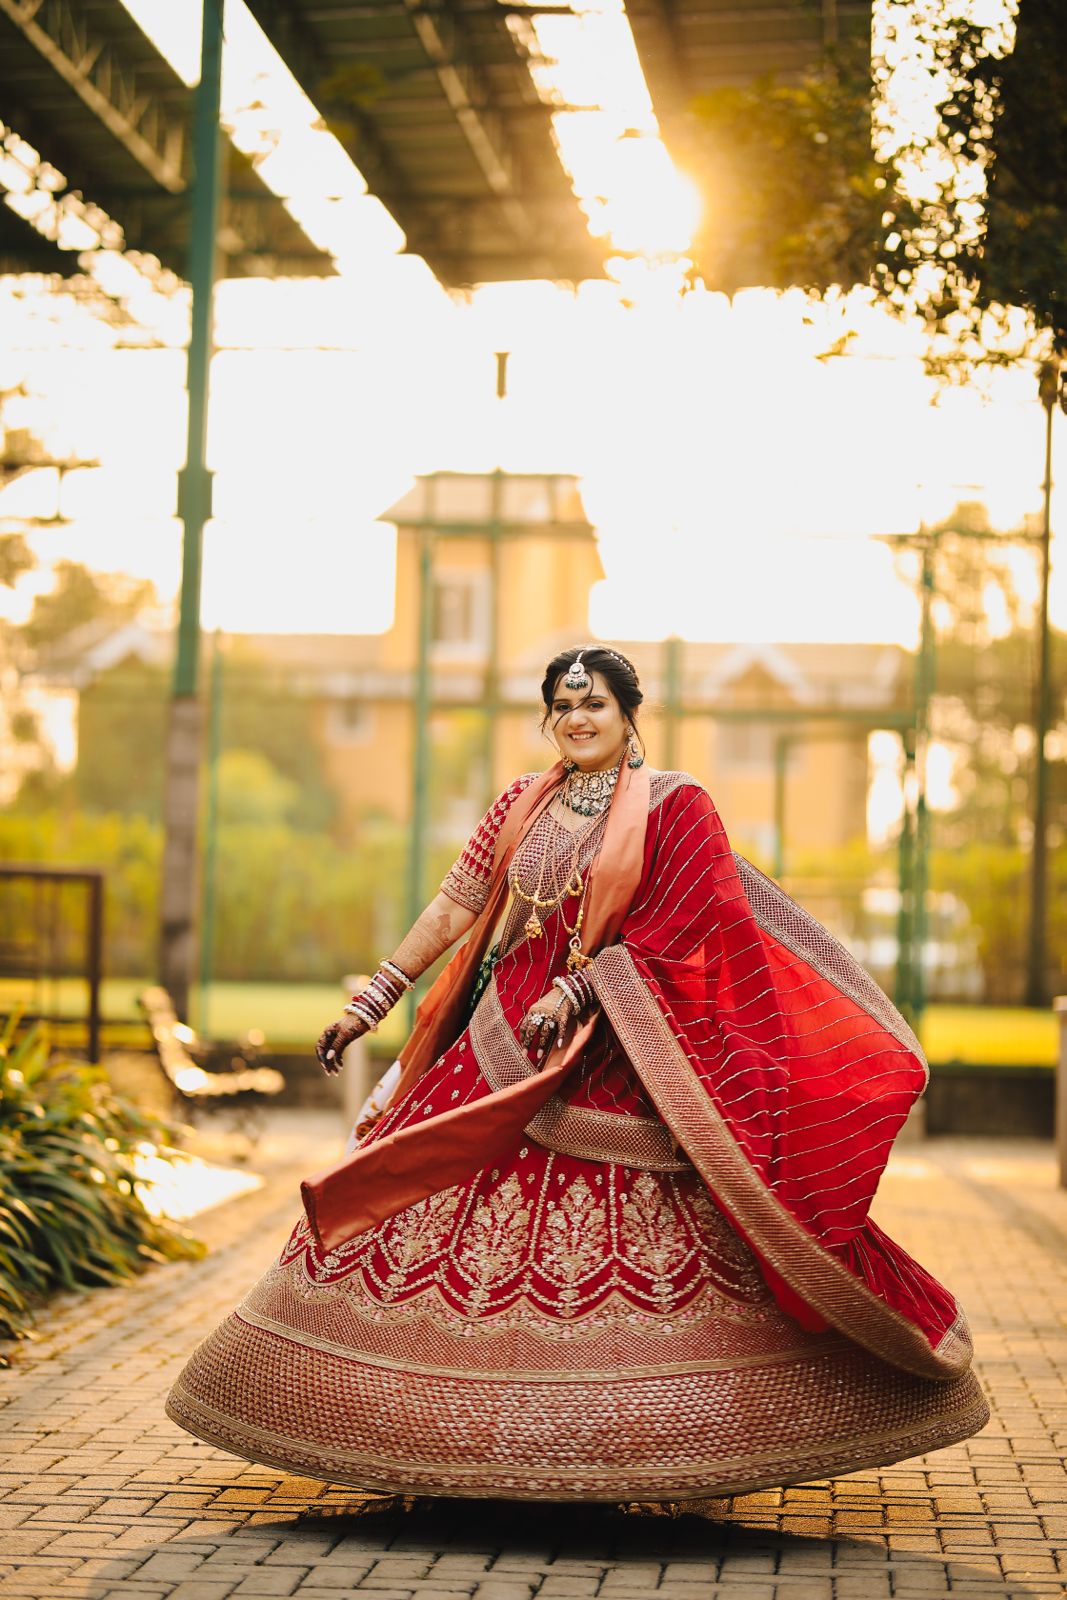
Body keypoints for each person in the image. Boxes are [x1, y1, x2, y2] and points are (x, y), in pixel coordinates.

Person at [167, 643, 988, 1501]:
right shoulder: (522, 803)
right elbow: (457, 904)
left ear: (629, 713)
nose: (577, 718)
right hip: (500, 1042)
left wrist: (580, 985)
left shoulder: (676, 806)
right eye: (561, 706)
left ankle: (662, 1441)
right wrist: (373, 1000)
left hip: (626, 1057)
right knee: (421, 1185)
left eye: (592, 702)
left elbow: (693, 921)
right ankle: (418, 1428)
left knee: (642, 1235)